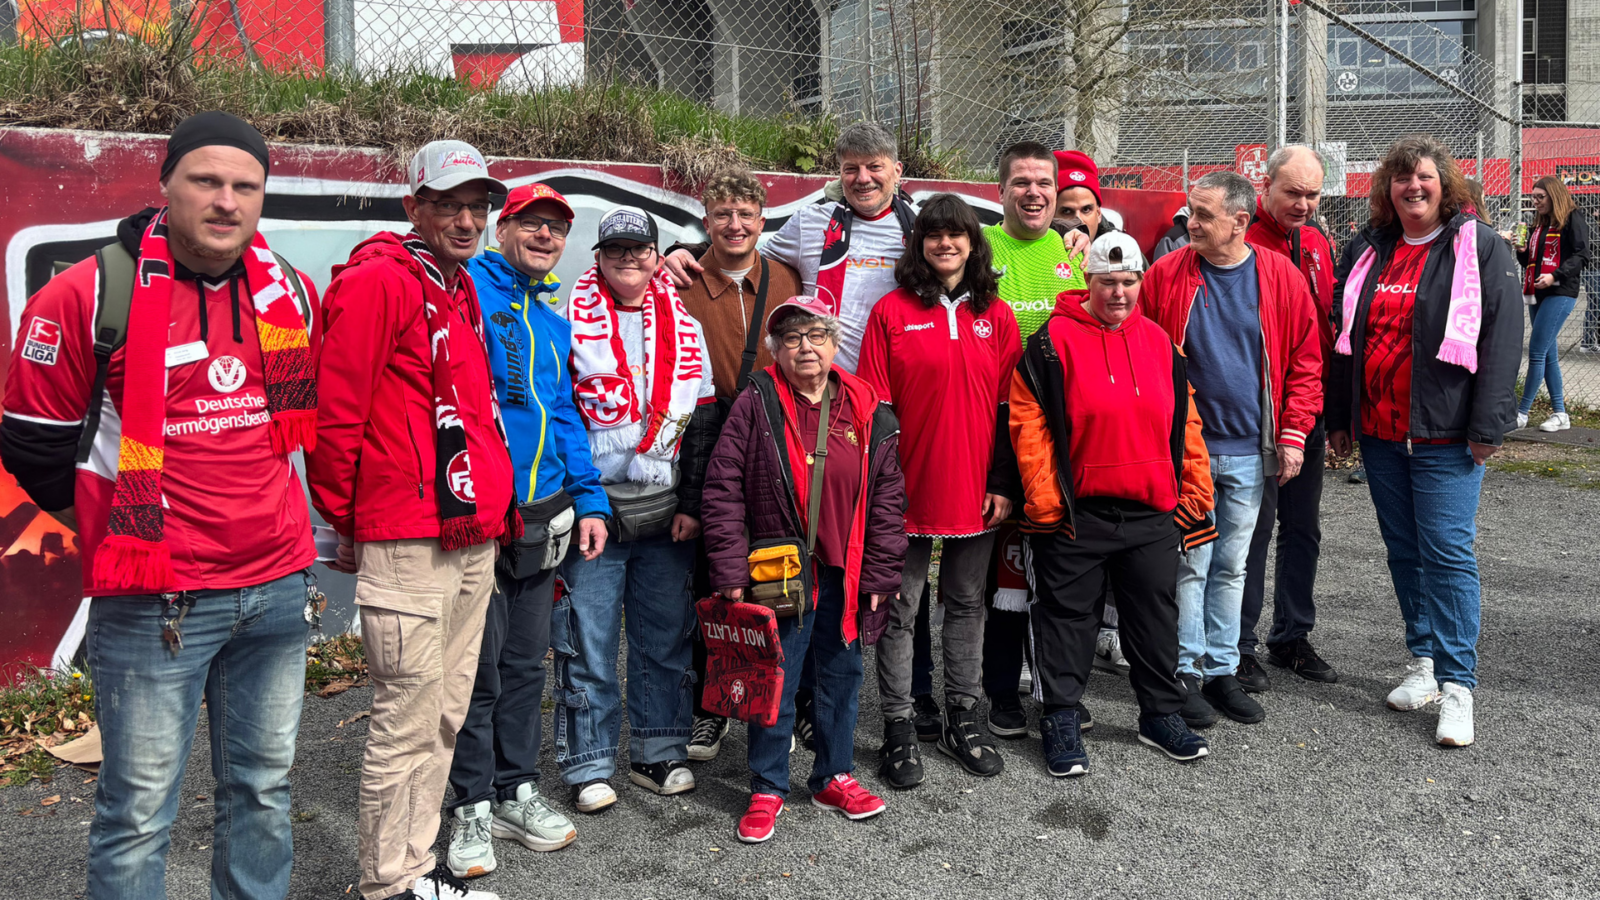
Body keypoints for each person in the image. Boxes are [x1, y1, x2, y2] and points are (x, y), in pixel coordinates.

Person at [1, 112, 318, 900]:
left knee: (264, 794)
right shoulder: (84, 294)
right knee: (139, 811)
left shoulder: (291, 293)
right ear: (166, 183)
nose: (226, 201)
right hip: (155, 601)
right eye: (206, 181)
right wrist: (121, 530)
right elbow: (32, 446)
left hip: (276, 590)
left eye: (246, 186)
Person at [311, 140, 517, 900]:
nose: (466, 221)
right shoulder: (379, 284)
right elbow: (336, 417)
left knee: (443, 712)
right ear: (414, 208)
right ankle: (388, 884)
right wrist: (344, 519)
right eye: (449, 206)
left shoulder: (454, 287)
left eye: (477, 207)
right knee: (407, 715)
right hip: (407, 534)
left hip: (469, 532)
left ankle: (413, 868)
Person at [1327, 134, 1522, 749]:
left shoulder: (1479, 248)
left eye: (1425, 179)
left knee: (1447, 554)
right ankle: (1425, 663)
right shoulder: (1369, 250)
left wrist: (1489, 425)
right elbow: (1345, 338)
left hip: (1445, 434)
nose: (1413, 188)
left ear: (1447, 186)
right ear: (1388, 188)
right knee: (1404, 551)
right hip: (1382, 433)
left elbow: (1502, 340)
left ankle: (1460, 685)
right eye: (1402, 179)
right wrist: (1340, 417)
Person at [442, 183, 612, 881]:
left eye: (557, 229)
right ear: (501, 228)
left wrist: (591, 499)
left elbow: (564, 411)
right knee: (474, 674)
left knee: (521, 667)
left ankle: (515, 789)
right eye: (532, 224)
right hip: (482, 518)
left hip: (544, 516)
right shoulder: (468, 292)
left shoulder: (551, 317)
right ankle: (469, 804)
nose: (546, 237)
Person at [700, 294, 906, 843]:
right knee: (776, 676)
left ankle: (834, 775)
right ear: (776, 349)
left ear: (836, 343)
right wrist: (728, 567)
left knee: (842, 674)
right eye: (791, 338)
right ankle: (767, 786)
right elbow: (721, 489)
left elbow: (887, 502)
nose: (805, 347)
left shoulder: (868, 407)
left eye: (816, 335)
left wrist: (882, 575)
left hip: (848, 567)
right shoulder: (757, 399)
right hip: (779, 569)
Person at [1010, 231, 1216, 775]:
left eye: (1128, 282)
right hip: (1078, 515)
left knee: (1153, 618)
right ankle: (1061, 716)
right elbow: (1029, 428)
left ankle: (1160, 714)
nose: (1118, 293)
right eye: (1108, 282)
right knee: (1066, 620)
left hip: (1151, 512)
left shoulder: (1162, 344)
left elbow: (1186, 424)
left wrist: (1194, 490)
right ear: (1088, 282)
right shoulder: (1051, 342)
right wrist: (1048, 503)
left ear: (1141, 282)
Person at [1141, 171, 1322, 730]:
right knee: (1190, 565)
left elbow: (1305, 362)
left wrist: (1293, 435)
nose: (1188, 223)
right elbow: (1141, 351)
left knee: (1232, 566)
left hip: (1250, 451)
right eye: (1190, 212)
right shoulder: (1167, 274)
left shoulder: (1281, 278)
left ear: (1240, 222)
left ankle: (1223, 670)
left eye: (1202, 215)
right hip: (1189, 452)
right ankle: (1185, 672)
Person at [857, 193, 1023, 786]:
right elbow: (877, 412)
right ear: (919, 244)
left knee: (967, 603)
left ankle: (962, 716)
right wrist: (883, 489)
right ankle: (899, 725)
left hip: (976, 487)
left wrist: (1003, 481)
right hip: (906, 489)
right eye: (934, 235)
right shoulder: (890, 313)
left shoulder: (996, 314)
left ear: (974, 243)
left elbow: (1010, 407)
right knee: (899, 610)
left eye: (957, 235)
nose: (946, 244)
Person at [554, 206, 714, 813]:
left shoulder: (687, 327)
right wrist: (580, 499)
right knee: (587, 640)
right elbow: (562, 420)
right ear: (597, 257)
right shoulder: (568, 322)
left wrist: (694, 502)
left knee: (664, 635)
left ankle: (659, 749)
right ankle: (588, 763)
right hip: (595, 509)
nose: (628, 258)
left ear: (656, 256)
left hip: (665, 508)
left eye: (639, 249)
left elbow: (700, 424)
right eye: (615, 249)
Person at [673, 169, 804, 762]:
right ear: (707, 221)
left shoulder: (787, 281)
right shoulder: (680, 281)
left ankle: (786, 700)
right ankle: (714, 703)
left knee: (779, 571)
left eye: (746, 215)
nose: (735, 225)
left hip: (771, 443)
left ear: (762, 219)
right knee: (713, 579)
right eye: (723, 214)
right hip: (703, 440)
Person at [978, 142, 1095, 740]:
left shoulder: (1075, 256)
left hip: (1068, 437)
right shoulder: (979, 250)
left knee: (1065, 568)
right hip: (999, 433)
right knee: (1009, 571)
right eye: (1020, 182)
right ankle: (1000, 690)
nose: (1033, 192)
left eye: (1043, 183)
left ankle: (1059, 687)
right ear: (999, 192)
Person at [1238, 145, 1340, 691]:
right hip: (1258, 414)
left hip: (1310, 406)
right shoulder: (1243, 243)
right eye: (1292, 193)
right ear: (1266, 186)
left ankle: (1292, 635)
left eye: (1313, 194)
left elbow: (1326, 330)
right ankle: (1239, 643)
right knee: (1252, 531)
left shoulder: (1319, 242)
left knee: (1303, 528)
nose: (1303, 203)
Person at [1506, 176, 1589, 432]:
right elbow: (1531, 263)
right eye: (1533, 197)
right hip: (1536, 292)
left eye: (1540, 197)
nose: (1535, 202)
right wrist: (1521, 251)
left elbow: (1582, 254)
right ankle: (1561, 414)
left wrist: (1556, 275)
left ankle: (1521, 413)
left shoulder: (1573, 217)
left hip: (1561, 291)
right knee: (1548, 354)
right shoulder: (1539, 224)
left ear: (1554, 195)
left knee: (1537, 351)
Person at [1582, 208, 1600, 354]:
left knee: (1596, 303)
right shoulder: (1590, 224)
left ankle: (1591, 340)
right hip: (1592, 268)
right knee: (1595, 301)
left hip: (1594, 267)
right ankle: (1587, 341)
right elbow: (1594, 244)